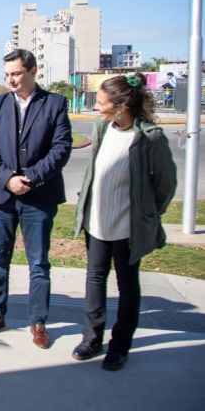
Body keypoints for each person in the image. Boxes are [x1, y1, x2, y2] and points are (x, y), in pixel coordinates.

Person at [72, 73, 175, 371]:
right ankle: (91, 338)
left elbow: (166, 184)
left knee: (127, 286)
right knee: (94, 279)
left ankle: (120, 346)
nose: (98, 109)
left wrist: (147, 214)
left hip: (127, 227)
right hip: (96, 222)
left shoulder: (150, 138)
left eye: (102, 103)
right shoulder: (103, 127)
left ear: (121, 106)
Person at [0, 49, 72, 348]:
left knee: (39, 263)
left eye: (16, 74)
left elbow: (61, 148)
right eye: (7, 75)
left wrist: (29, 178)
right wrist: (7, 179)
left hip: (39, 197)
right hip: (2, 197)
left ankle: (38, 321)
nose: (11, 80)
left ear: (32, 71)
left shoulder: (54, 103)